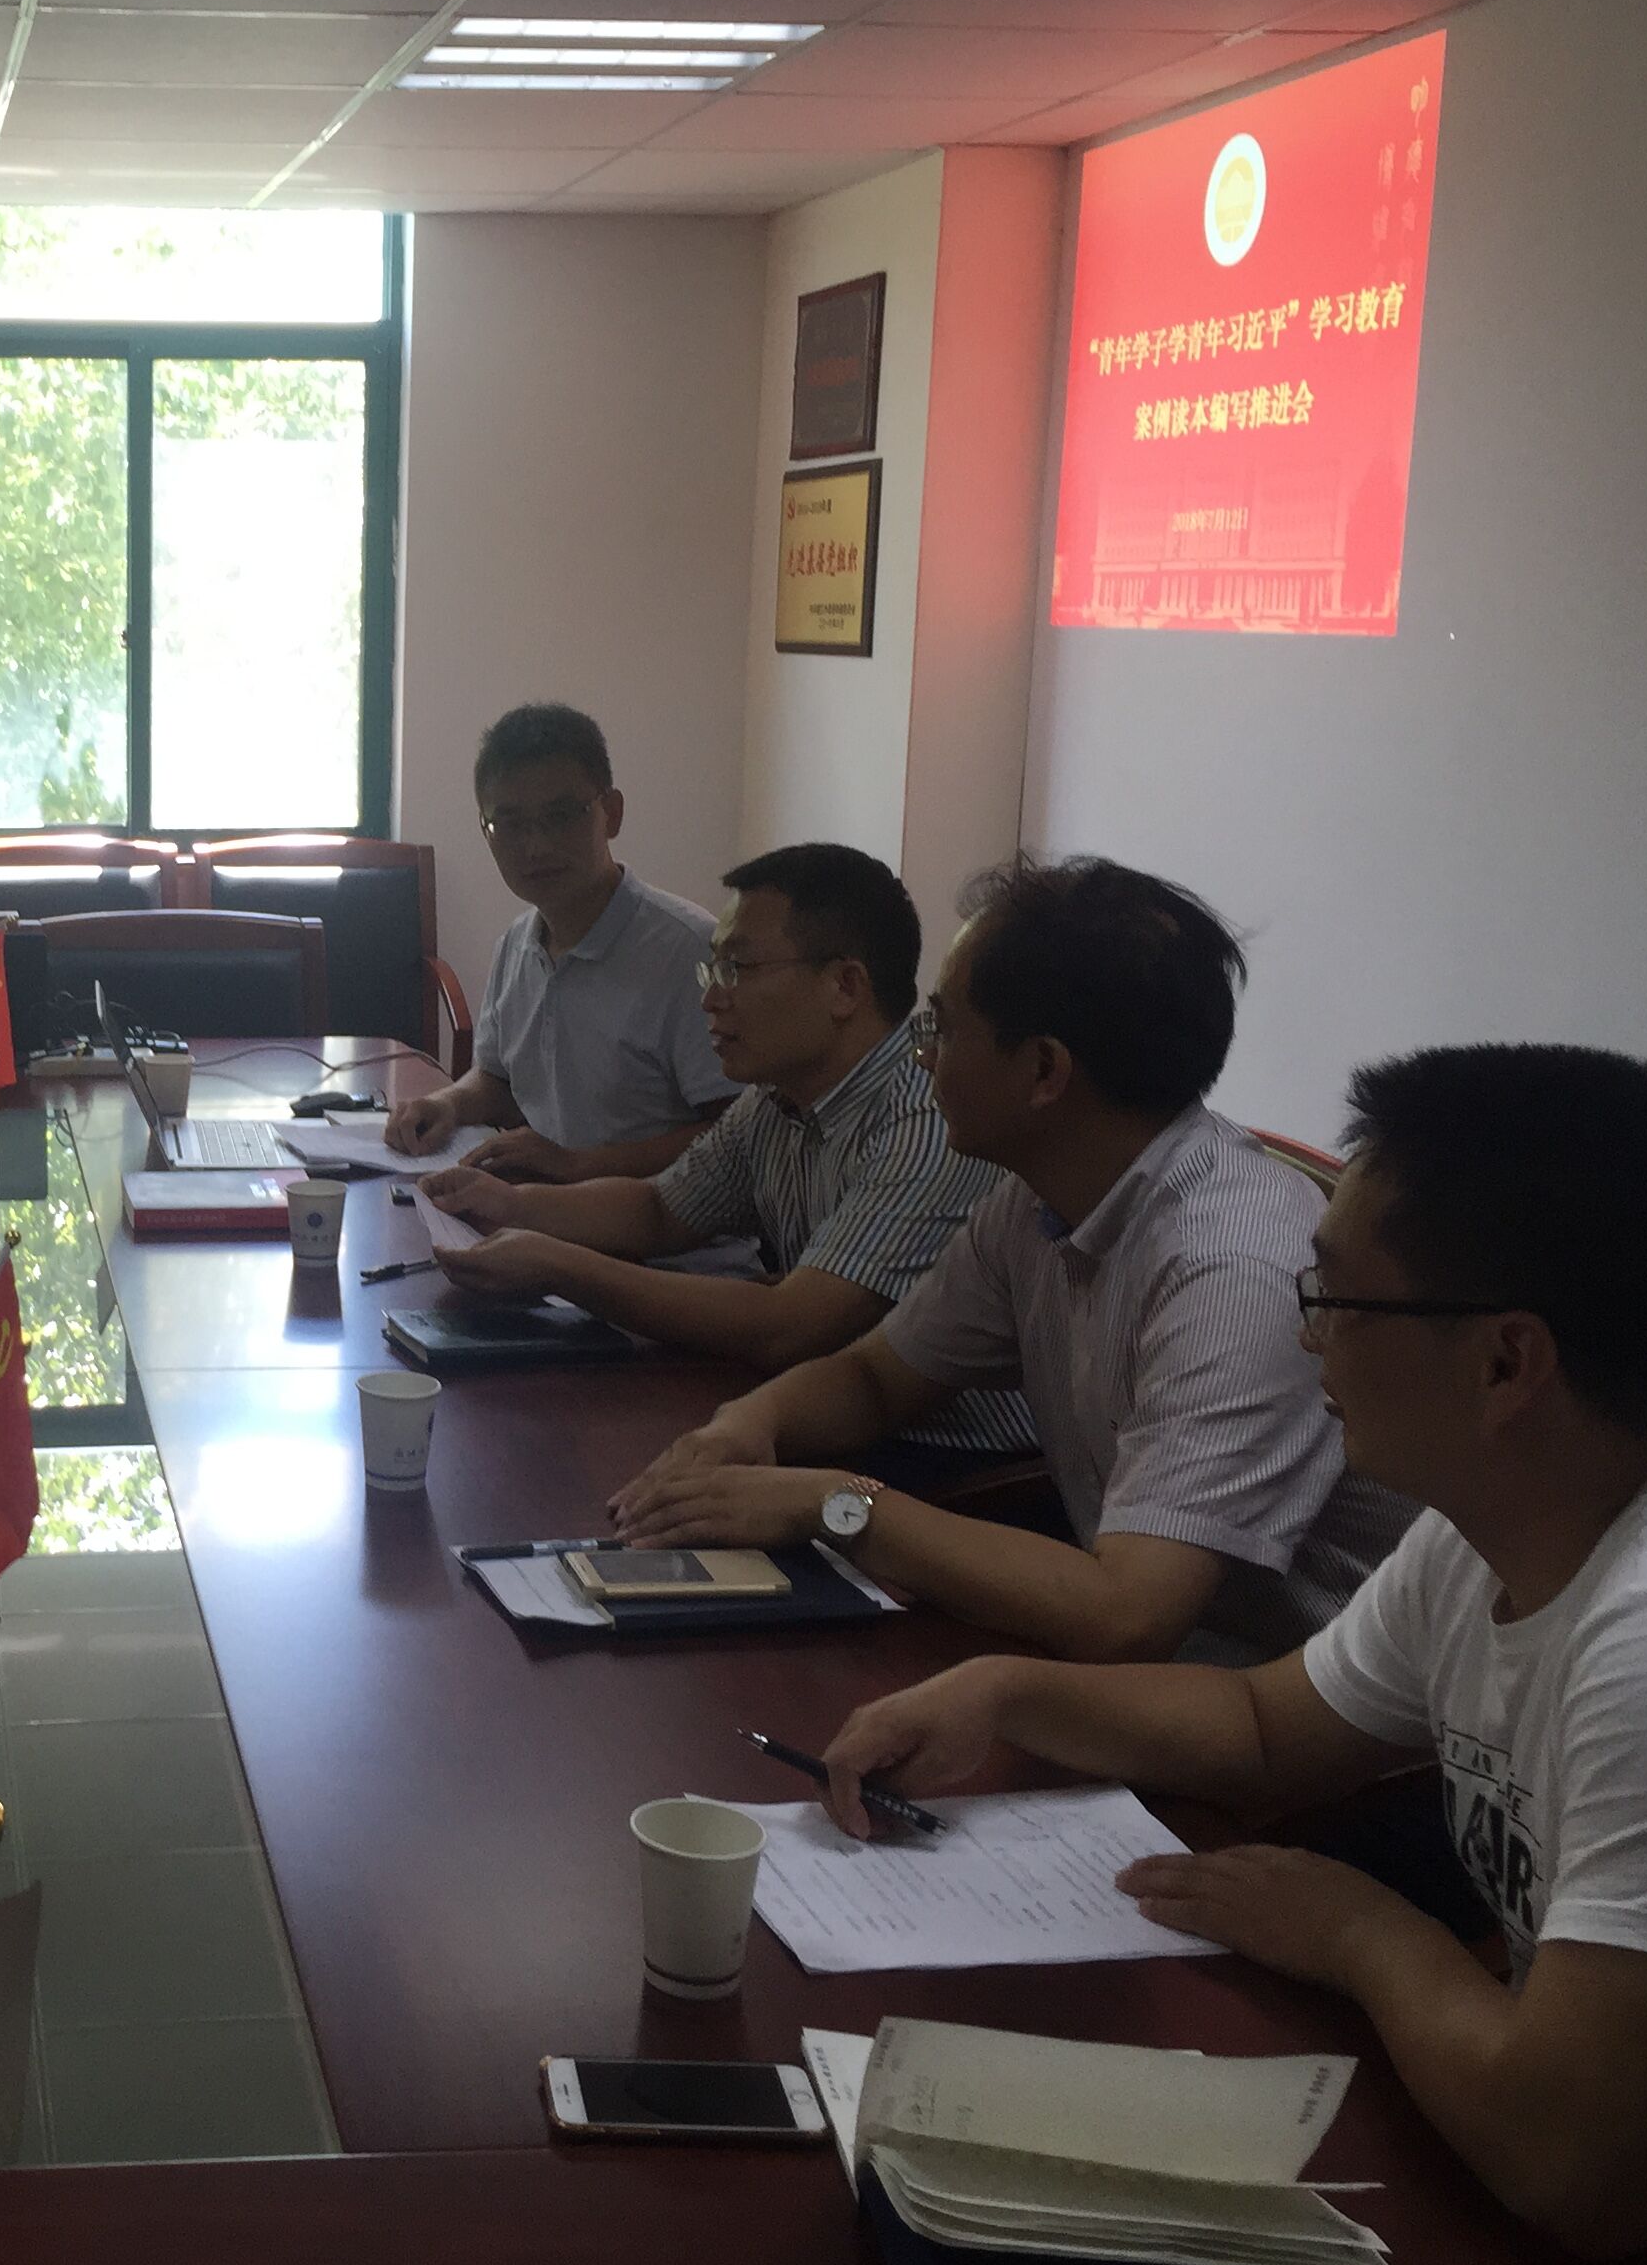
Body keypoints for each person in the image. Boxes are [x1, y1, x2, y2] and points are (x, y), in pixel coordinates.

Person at [816, 1045, 1647, 2265]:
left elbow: (1581, 2176)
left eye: (1336, 1299)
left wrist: (1363, 1933)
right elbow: (1269, 1726)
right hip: (1526, 2187)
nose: (1307, 1333)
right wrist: (1005, 1693)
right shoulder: (1524, 1497)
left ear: (1506, 1364)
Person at [608, 855, 1411, 1665]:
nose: (922, 1058)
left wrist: (836, 1504)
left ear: (1043, 1071)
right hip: (1154, 1655)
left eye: (942, 1029)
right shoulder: (1037, 1198)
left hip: (1294, 1699)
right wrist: (750, 1423)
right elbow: (877, 1377)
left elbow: (1128, 1613)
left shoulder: (1230, 1270)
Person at [423, 843, 1030, 1477]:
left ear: (844, 987)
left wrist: (560, 1266)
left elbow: (790, 1326)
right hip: (818, 1414)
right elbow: (659, 1210)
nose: (711, 999)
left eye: (738, 969)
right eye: (712, 970)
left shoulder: (924, 1119)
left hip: (961, 1464)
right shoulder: (776, 1096)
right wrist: (511, 1205)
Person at [384, 703, 732, 1182]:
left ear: (612, 813)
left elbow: (738, 1135)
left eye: (562, 816)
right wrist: (448, 1104)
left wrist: (577, 1167)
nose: (536, 847)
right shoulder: (516, 945)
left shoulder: (689, 951)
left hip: (660, 1226)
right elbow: (499, 1079)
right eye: (509, 823)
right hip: (537, 1209)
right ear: (485, 831)